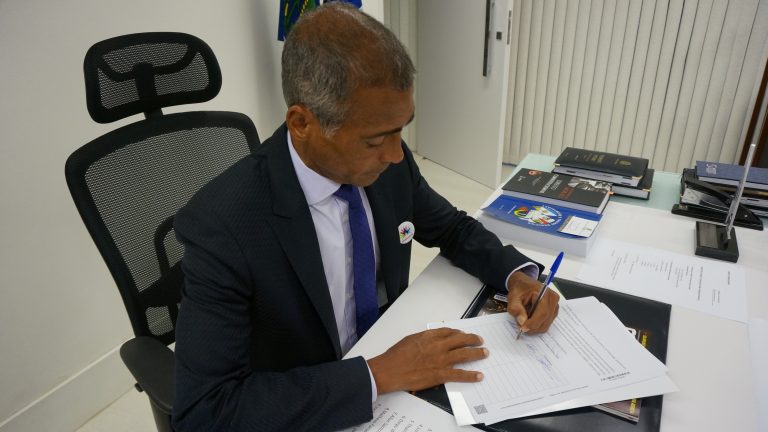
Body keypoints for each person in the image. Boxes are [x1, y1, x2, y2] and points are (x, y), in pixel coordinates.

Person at [172, 3, 559, 431]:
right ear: (302, 123)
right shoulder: (223, 226)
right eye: (375, 141)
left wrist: (518, 276)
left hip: (395, 374)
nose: (395, 155)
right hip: (314, 402)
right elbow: (206, 411)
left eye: (401, 130)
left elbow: (451, 229)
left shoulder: (388, 164)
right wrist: (379, 373)